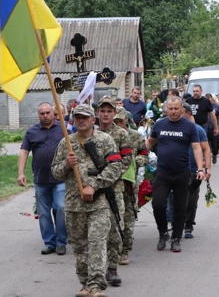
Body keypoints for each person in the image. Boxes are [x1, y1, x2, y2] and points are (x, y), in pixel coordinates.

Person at [51, 104, 122, 297]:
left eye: (85, 117)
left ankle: (97, 286)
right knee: (80, 246)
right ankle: (84, 284)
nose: (81, 120)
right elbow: (55, 172)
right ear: (73, 120)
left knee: (97, 243)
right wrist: (66, 164)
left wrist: (96, 185)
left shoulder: (105, 140)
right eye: (77, 117)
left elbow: (116, 166)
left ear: (93, 120)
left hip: (98, 203)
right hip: (74, 205)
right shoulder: (66, 143)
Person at [146, 96, 205, 253]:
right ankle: (163, 233)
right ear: (166, 110)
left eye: (176, 109)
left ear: (182, 110)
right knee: (158, 204)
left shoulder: (189, 126)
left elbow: (197, 148)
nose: (173, 112)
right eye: (170, 109)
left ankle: (176, 238)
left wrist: (200, 169)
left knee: (180, 207)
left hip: (182, 172)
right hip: (162, 172)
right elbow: (149, 142)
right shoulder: (159, 124)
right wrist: (140, 155)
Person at [18, 102, 69, 256]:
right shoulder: (31, 132)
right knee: (44, 212)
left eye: (48, 112)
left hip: (60, 178)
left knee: (60, 208)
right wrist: (21, 173)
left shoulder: (64, 129)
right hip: (41, 179)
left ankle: (61, 242)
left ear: (54, 113)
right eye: (42, 113)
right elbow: (24, 152)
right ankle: (49, 243)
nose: (46, 116)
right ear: (38, 115)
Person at [96, 96, 132, 287]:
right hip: (93, 188)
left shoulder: (121, 134)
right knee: (95, 231)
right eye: (103, 111)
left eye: (109, 111)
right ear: (98, 113)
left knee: (114, 229)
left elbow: (126, 160)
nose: (106, 114)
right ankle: (95, 270)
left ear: (114, 113)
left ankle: (112, 268)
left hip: (114, 188)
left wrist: (109, 177)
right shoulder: (90, 134)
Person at [113, 107, 149, 266]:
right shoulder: (106, 136)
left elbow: (144, 155)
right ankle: (111, 250)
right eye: (116, 122)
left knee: (127, 218)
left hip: (129, 184)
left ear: (126, 120)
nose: (118, 125)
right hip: (112, 183)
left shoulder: (136, 137)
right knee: (112, 219)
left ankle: (125, 251)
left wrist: (134, 162)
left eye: (120, 121)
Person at [181, 102, 211, 239]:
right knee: (176, 199)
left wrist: (207, 168)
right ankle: (176, 224)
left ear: (188, 113)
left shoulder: (198, 130)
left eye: (180, 112)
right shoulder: (175, 128)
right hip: (178, 170)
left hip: (194, 170)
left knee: (191, 200)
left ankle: (188, 226)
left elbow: (206, 149)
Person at [205, 93, 219, 164]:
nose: (208, 100)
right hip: (205, 127)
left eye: (209, 99)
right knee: (205, 144)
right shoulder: (204, 105)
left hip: (214, 128)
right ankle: (206, 158)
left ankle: (214, 154)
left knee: (215, 145)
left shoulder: (216, 106)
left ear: (212, 98)